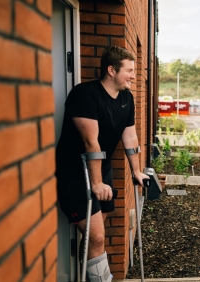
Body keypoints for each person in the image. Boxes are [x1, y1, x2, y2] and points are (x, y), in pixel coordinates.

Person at [55, 46, 149, 282]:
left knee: (94, 237)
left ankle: (88, 276)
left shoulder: (126, 98)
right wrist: (96, 183)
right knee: (96, 237)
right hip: (77, 174)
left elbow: (130, 137)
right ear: (111, 70)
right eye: (129, 70)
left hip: (102, 170)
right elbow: (90, 142)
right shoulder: (85, 95)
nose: (133, 75)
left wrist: (136, 171)